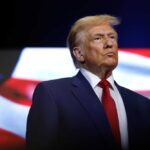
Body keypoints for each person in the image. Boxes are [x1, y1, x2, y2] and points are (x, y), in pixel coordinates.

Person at [26, 14, 150, 150]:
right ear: (79, 53)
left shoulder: (142, 104)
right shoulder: (53, 94)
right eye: (98, 38)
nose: (109, 44)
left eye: (112, 37)